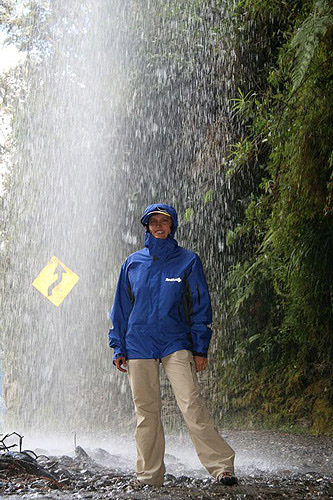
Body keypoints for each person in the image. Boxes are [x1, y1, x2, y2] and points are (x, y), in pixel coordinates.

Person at [108, 203, 237, 487]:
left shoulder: (188, 261)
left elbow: (201, 307)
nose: (158, 226)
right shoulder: (132, 263)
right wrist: (118, 346)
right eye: (153, 222)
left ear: (172, 226)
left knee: (191, 403)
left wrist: (200, 348)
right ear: (146, 227)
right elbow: (121, 308)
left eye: (163, 221)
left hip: (175, 341)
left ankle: (221, 466)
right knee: (146, 412)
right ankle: (149, 475)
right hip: (138, 343)